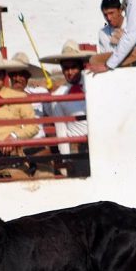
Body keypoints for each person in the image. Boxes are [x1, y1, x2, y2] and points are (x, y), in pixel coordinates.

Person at [40, 40, 95, 177]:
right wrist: (66, 159)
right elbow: (61, 130)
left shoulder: (94, 86)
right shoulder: (58, 95)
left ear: (81, 67)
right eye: (66, 68)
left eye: (73, 67)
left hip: (101, 142)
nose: (70, 72)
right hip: (79, 148)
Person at [0, 50, 39, 178]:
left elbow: (33, 126)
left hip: (13, 157)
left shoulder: (19, 96)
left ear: (4, 75)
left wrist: (14, 136)